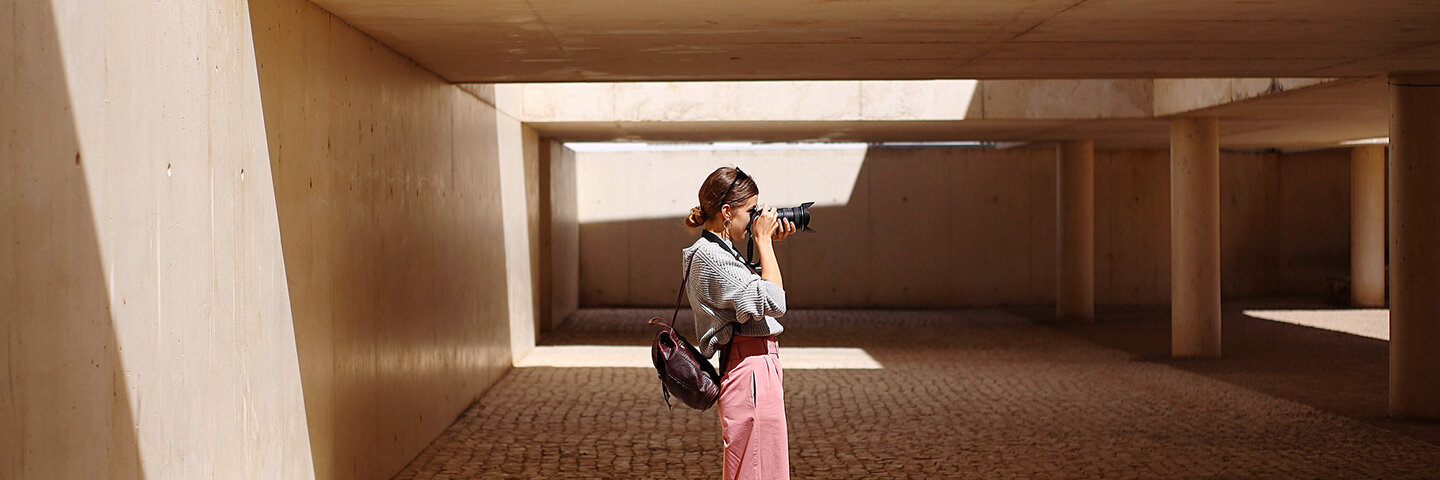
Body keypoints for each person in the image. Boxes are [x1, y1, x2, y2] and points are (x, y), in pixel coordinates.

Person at [682, 166, 797, 480]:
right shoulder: (710, 257)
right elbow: (774, 301)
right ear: (727, 211)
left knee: (762, 467)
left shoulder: (720, 252)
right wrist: (765, 244)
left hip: (755, 369)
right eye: (751, 211)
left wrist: (763, 249)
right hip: (751, 372)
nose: (756, 219)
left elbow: (752, 294)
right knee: (756, 470)